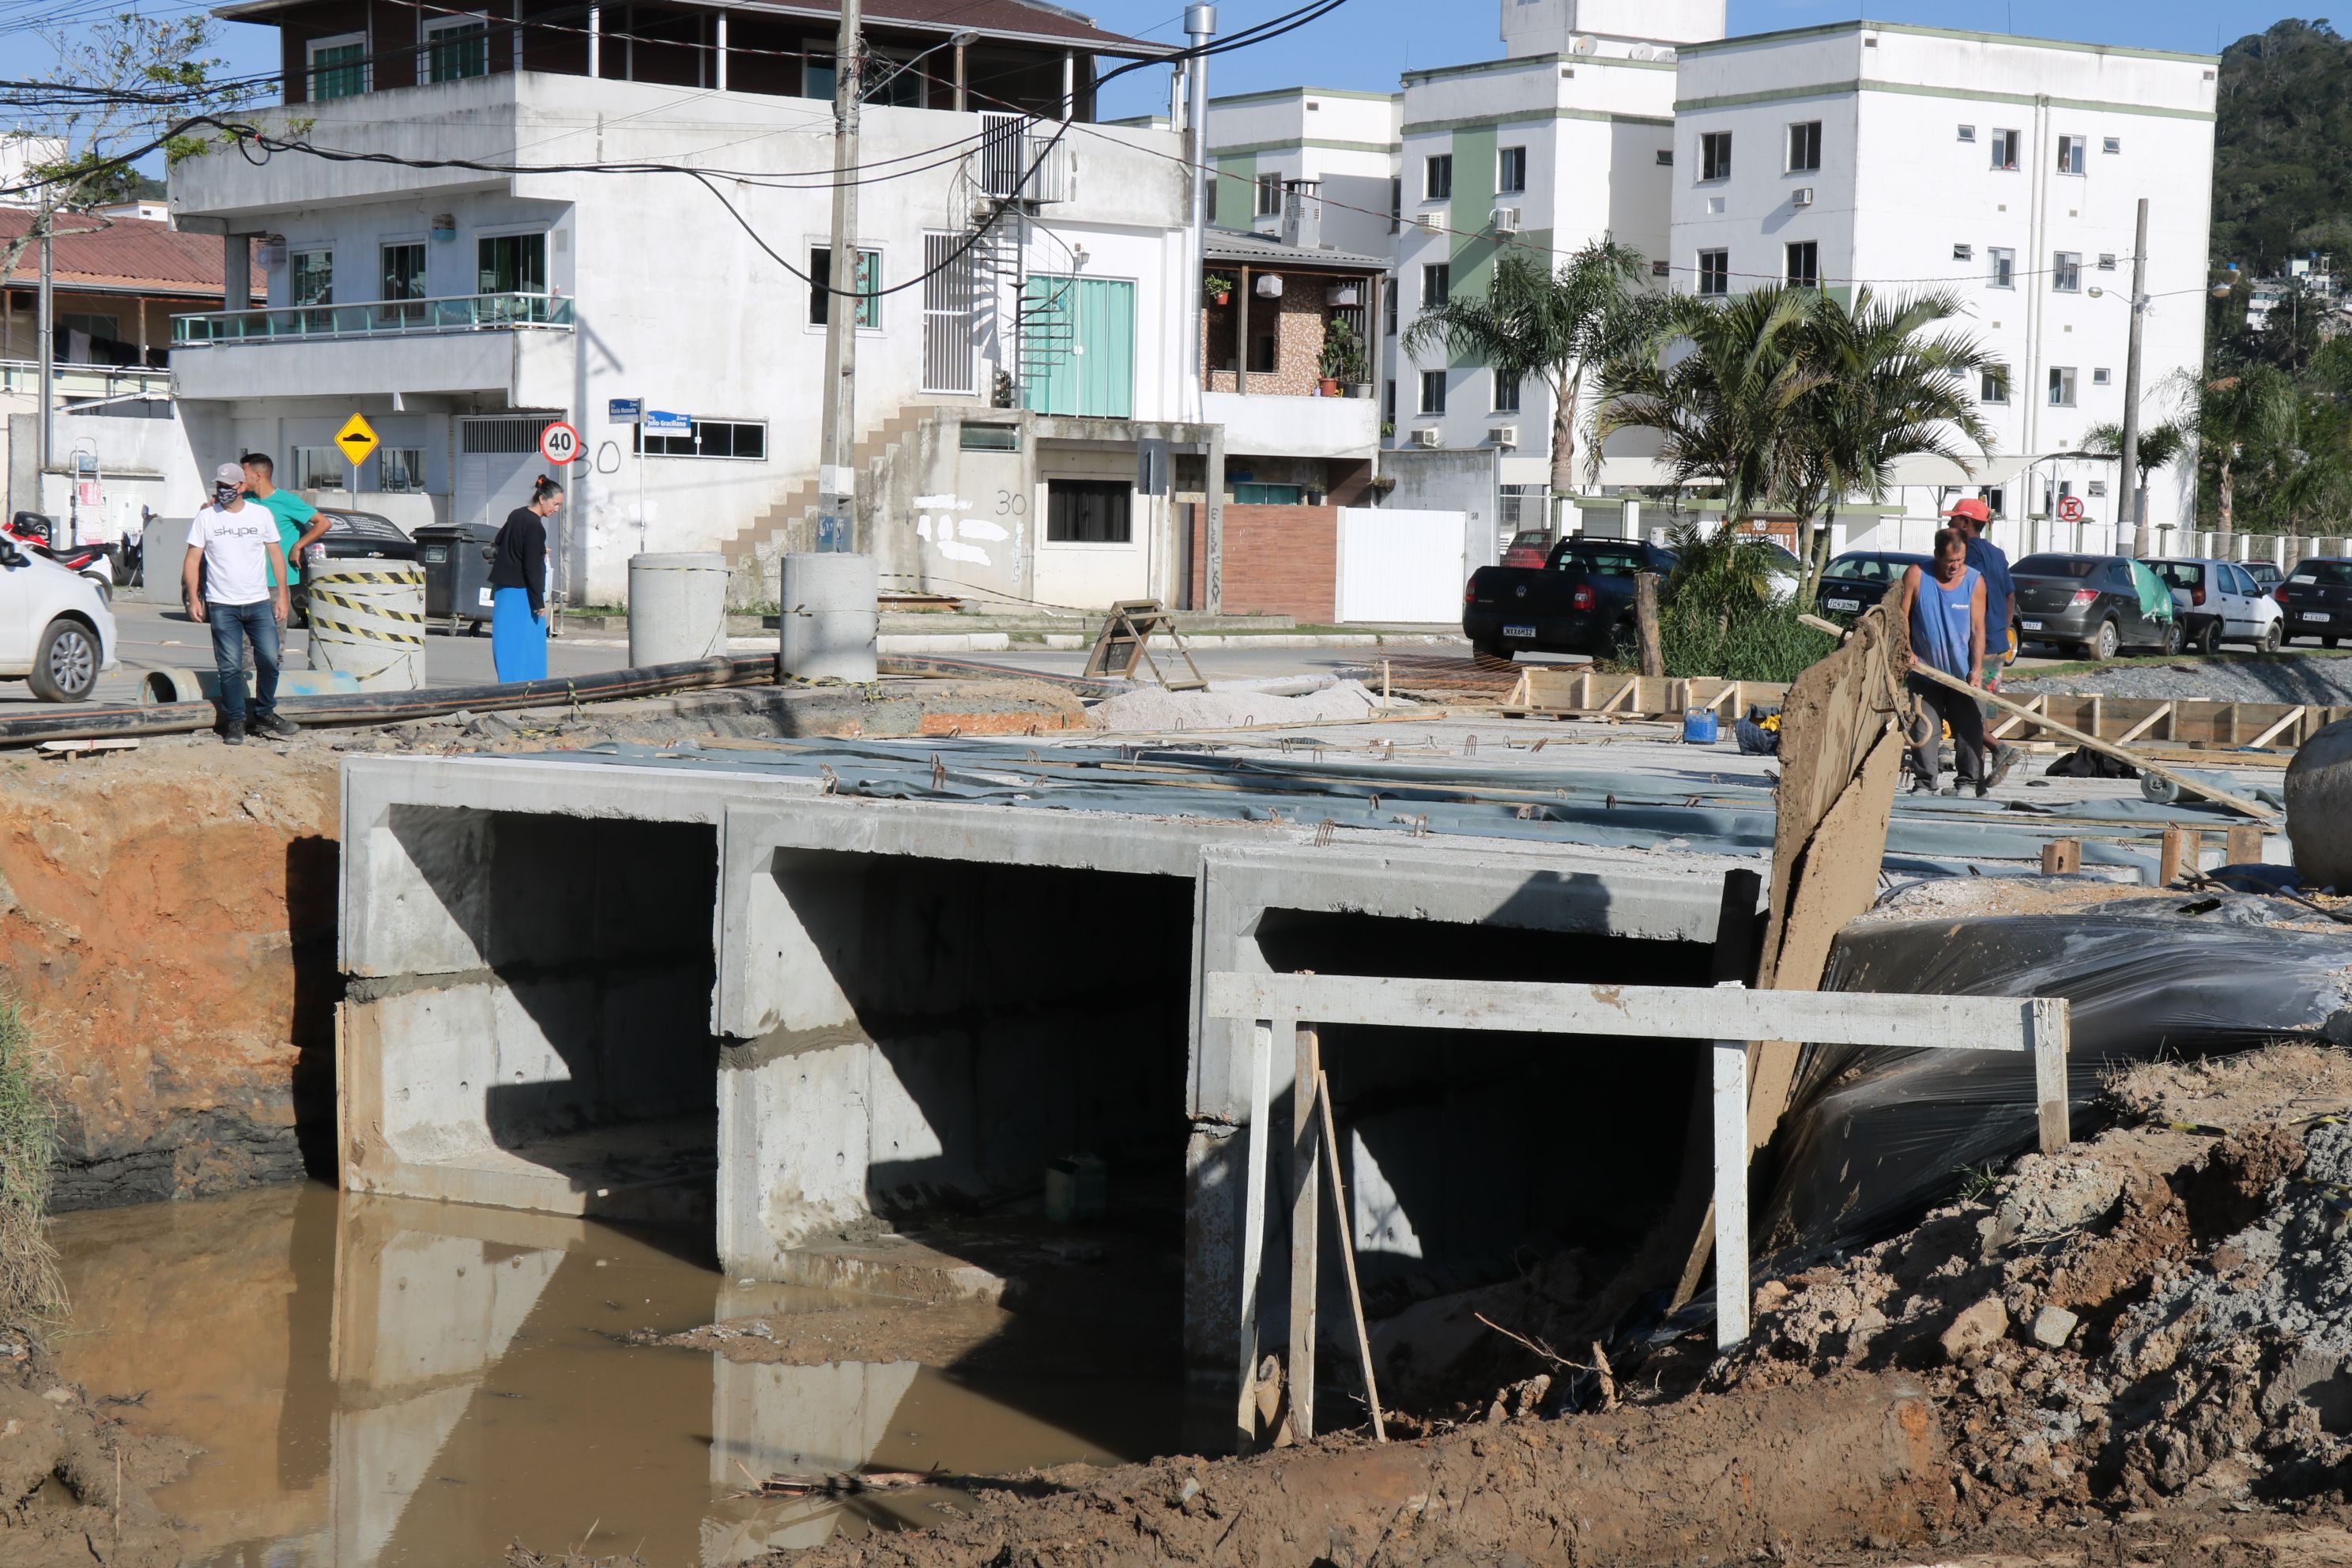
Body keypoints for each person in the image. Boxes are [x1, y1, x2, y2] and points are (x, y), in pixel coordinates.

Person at [183, 462, 297, 745]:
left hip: (258, 602)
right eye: (219, 487)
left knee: (270, 659)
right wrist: (194, 596)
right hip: (222, 604)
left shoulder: (261, 515)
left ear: (242, 487)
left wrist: (282, 595)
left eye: (228, 487)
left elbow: (276, 556)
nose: (223, 491)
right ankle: (235, 722)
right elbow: (193, 559)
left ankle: (265, 712)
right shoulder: (207, 518)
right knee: (230, 666)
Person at [1892, 526, 1988, 797]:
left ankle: (1968, 783)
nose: (1955, 567)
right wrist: (1907, 651)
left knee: (1969, 729)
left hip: (1962, 675)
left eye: (1960, 561)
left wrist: (1977, 671)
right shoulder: (1917, 575)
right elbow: (1902, 618)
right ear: (1936, 555)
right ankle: (1924, 783)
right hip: (1925, 672)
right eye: (1949, 562)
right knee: (1925, 728)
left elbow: (1978, 629)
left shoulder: (1975, 581)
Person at [1946, 498, 2023, 786]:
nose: (1950, 523)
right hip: (1996, 644)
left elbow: (1963, 597)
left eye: (1954, 519)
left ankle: (1998, 748)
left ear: (1966, 524)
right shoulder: (1997, 553)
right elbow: (2009, 596)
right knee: (1981, 710)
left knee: (1960, 710)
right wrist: (2001, 631)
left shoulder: (1968, 555)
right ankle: (1976, 782)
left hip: (1973, 646)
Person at [489, 475, 563, 682]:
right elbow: (532, 568)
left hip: (504, 589)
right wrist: (538, 602)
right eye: (555, 504)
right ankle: (528, 686)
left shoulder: (517, 515)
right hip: (523, 592)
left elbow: (500, 539)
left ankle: (507, 683)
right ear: (542, 498)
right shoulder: (535, 526)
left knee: (506, 640)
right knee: (527, 642)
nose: (556, 509)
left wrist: (536, 548)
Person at [242, 453, 331, 616]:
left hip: (275, 583)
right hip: (247, 582)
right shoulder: (244, 500)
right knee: (245, 640)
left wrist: (298, 546)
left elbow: (323, 523)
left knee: (274, 638)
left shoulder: (286, 500)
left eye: (244, 475)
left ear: (258, 475)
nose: (241, 479)